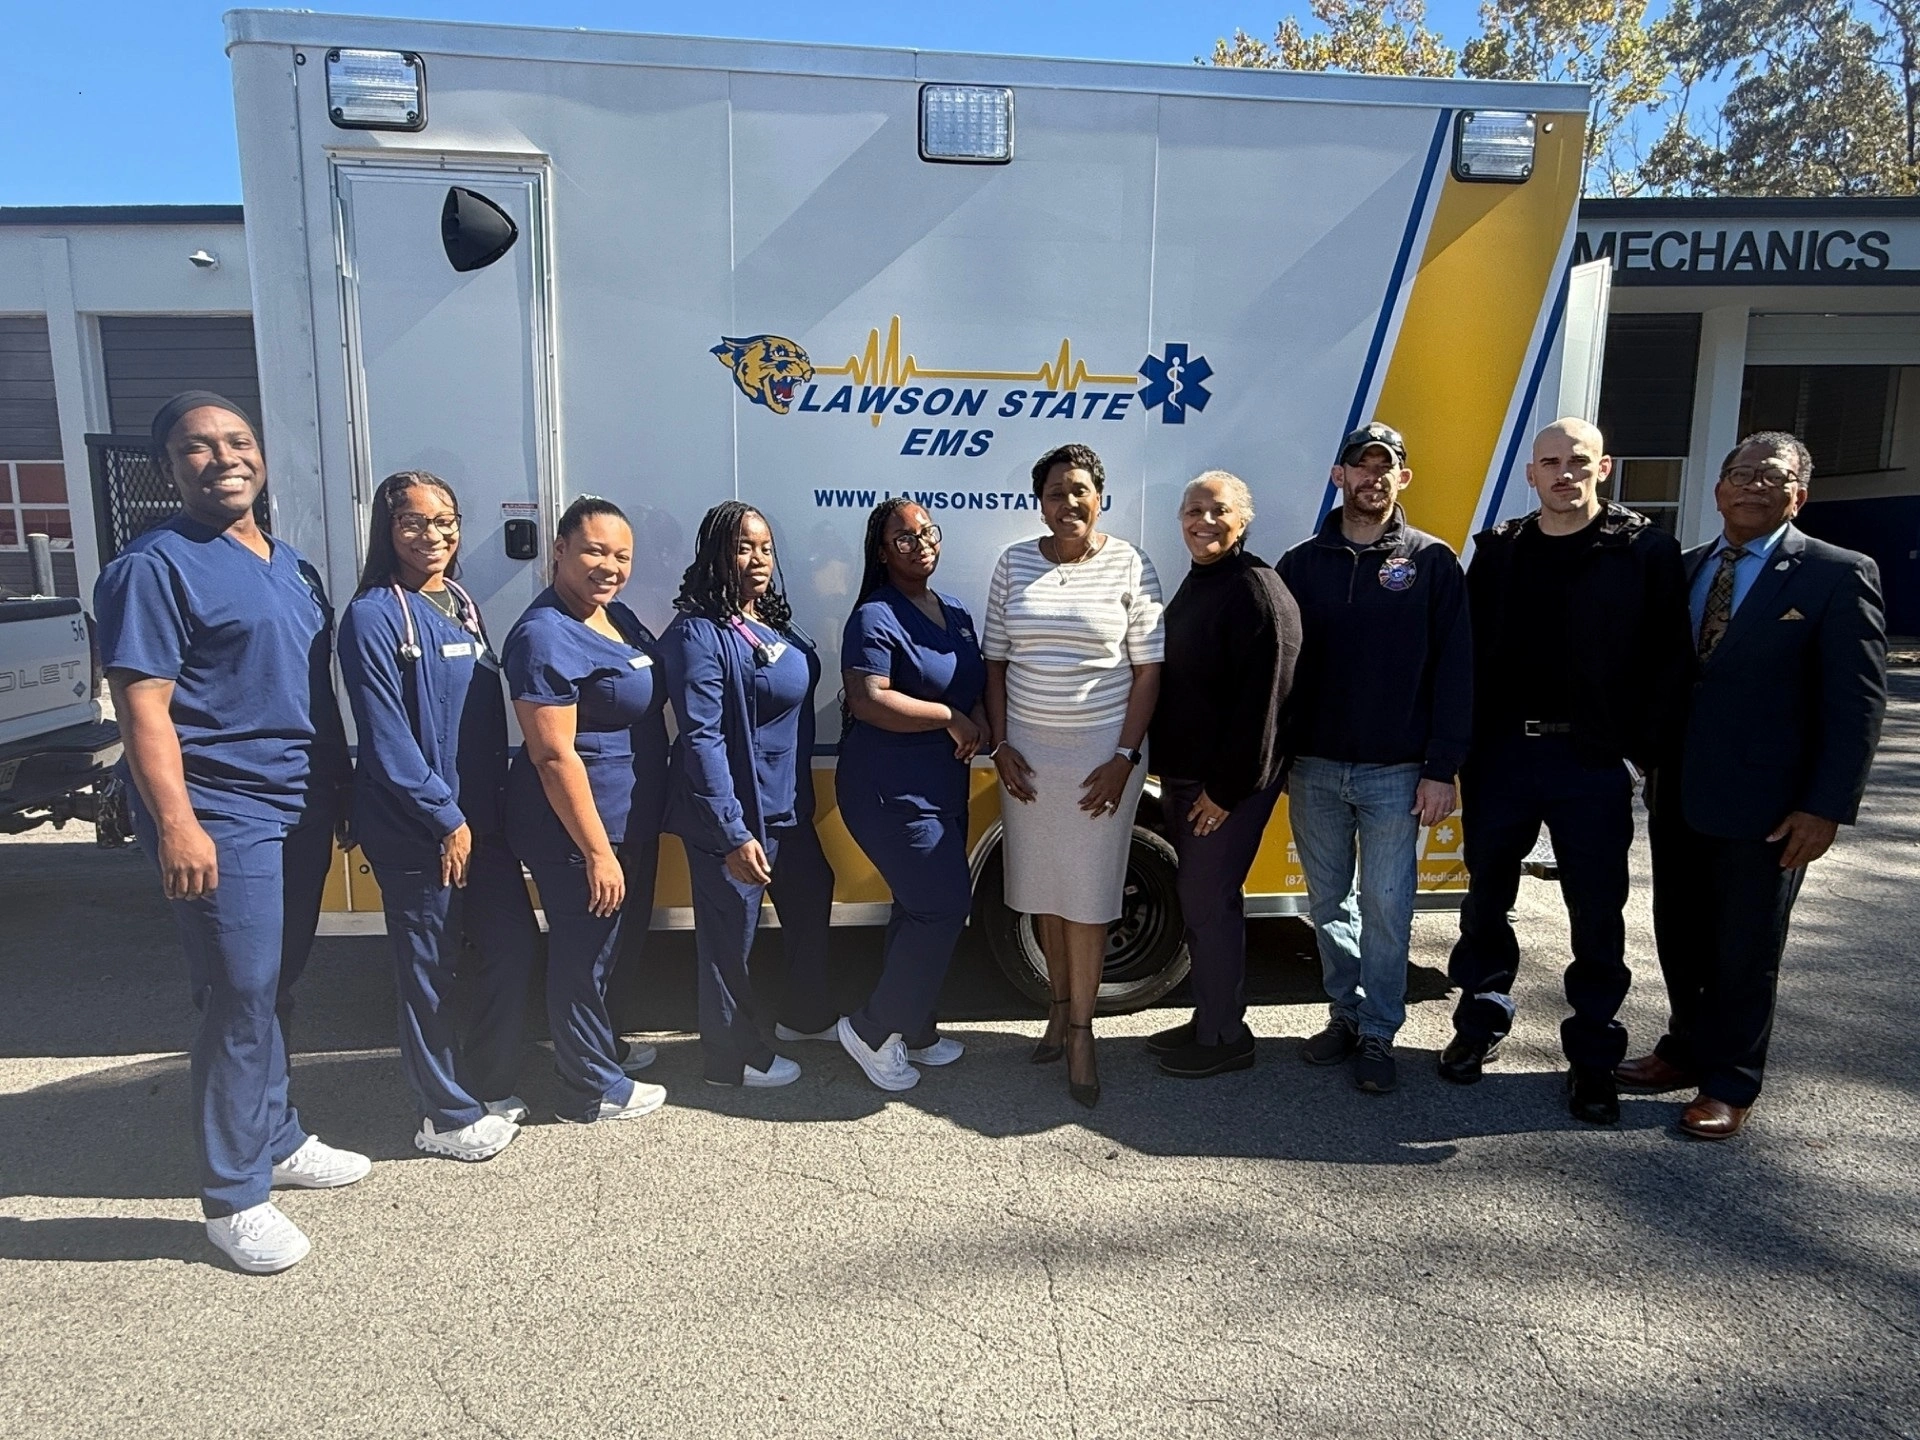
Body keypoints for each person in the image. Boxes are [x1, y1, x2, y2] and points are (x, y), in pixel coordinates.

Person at [95, 391, 367, 1274]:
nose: (223, 458)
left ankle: (278, 1137)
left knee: (278, 981)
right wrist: (175, 824)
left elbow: (311, 694)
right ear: (167, 467)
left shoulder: (289, 565)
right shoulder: (154, 566)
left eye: (238, 440)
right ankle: (234, 1195)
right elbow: (143, 708)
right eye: (197, 448)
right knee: (238, 994)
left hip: (300, 803)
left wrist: (343, 786)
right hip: (223, 810)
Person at [1619, 431, 1887, 1139]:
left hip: (1769, 806)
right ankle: (1683, 1048)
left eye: (1771, 477)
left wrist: (1825, 807)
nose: (1751, 486)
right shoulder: (1683, 568)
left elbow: (1856, 702)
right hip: (1678, 791)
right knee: (1680, 933)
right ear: (1718, 490)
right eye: (1739, 474)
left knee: (1745, 944)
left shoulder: (1837, 573)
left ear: (1799, 494)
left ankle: (1731, 1080)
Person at [1442, 420, 1692, 1123]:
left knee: (1597, 912)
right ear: (1531, 474)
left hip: (1589, 761)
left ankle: (1592, 1056)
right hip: (1504, 757)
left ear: (1604, 467)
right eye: (1550, 462)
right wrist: (1460, 751)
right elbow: (1466, 658)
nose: (1564, 474)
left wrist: (1640, 749)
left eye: (1578, 461)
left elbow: (1670, 661)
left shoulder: (1644, 551)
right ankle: (1480, 1022)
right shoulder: (1498, 552)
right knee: (1486, 900)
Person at [338, 471, 540, 1160]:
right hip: (420, 826)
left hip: (478, 823)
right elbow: (387, 740)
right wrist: (445, 817)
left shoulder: (458, 602)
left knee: (511, 946)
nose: (435, 535)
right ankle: (442, 1115)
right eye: (416, 523)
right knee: (428, 971)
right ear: (387, 531)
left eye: (446, 521)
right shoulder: (373, 616)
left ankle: (482, 1083)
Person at [1276, 421, 1471, 1095]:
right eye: (1362, 466)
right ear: (1340, 477)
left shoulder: (1432, 562)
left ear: (1402, 479)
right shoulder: (1300, 564)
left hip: (1397, 772)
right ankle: (1346, 1017)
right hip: (1316, 769)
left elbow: (1456, 669)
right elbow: (1278, 670)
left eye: (1386, 466)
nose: (1374, 477)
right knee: (1329, 903)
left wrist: (1442, 767)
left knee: (1388, 905)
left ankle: (1381, 1032)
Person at [984, 443, 1164, 1108]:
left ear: (1100, 497)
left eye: (1081, 490)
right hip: (1028, 760)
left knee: (1086, 902)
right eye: (1056, 492)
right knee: (1046, 894)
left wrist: (1123, 759)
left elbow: (1149, 670)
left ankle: (1084, 1034)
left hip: (1100, 761)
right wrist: (1000, 743)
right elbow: (996, 662)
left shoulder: (1131, 564)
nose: (1069, 503)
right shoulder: (1013, 564)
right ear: (1040, 502)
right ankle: (1058, 1011)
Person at [502, 496, 670, 1124]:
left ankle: (602, 1048)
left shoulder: (614, 617)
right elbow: (553, 757)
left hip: (629, 815)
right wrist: (598, 851)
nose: (609, 565)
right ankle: (588, 1087)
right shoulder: (544, 635)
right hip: (579, 826)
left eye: (621, 555)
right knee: (584, 949)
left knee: (614, 945)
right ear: (561, 551)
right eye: (595, 550)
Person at [661, 502, 838, 1089]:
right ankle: (730, 1058)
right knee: (728, 938)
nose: (757, 558)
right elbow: (702, 738)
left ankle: (805, 1017)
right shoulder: (697, 634)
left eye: (764, 547)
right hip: (735, 816)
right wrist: (731, 830)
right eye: (743, 547)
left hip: (786, 810)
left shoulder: (771, 623)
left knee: (812, 897)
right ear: (715, 554)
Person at [1145, 471, 1301, 1079]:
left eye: (1218, 510)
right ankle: (1209, 1016)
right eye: (1192, 509)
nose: (1202, 521)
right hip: (1191, 779)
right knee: (1201, 903)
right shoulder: (1205, 581)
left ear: (1244, 520)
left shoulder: (1255, 590)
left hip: (1227, 787)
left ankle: (1226, 1037)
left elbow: (1264, 706)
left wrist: (1224, 791)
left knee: (1208, 902)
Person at [834, 499, 989, 1091]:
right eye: (903, 538)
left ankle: (915, 1027)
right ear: (882, 551)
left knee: (916, 906)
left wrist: (977, 714)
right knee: (944, 906)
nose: (919, 542)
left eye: (926, 532)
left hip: (941, 785)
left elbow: (971, 678)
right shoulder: (875, 616)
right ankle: (874, 1029)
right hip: (887, 788)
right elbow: (869, 697)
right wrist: (951, 715)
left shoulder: (953, 611)